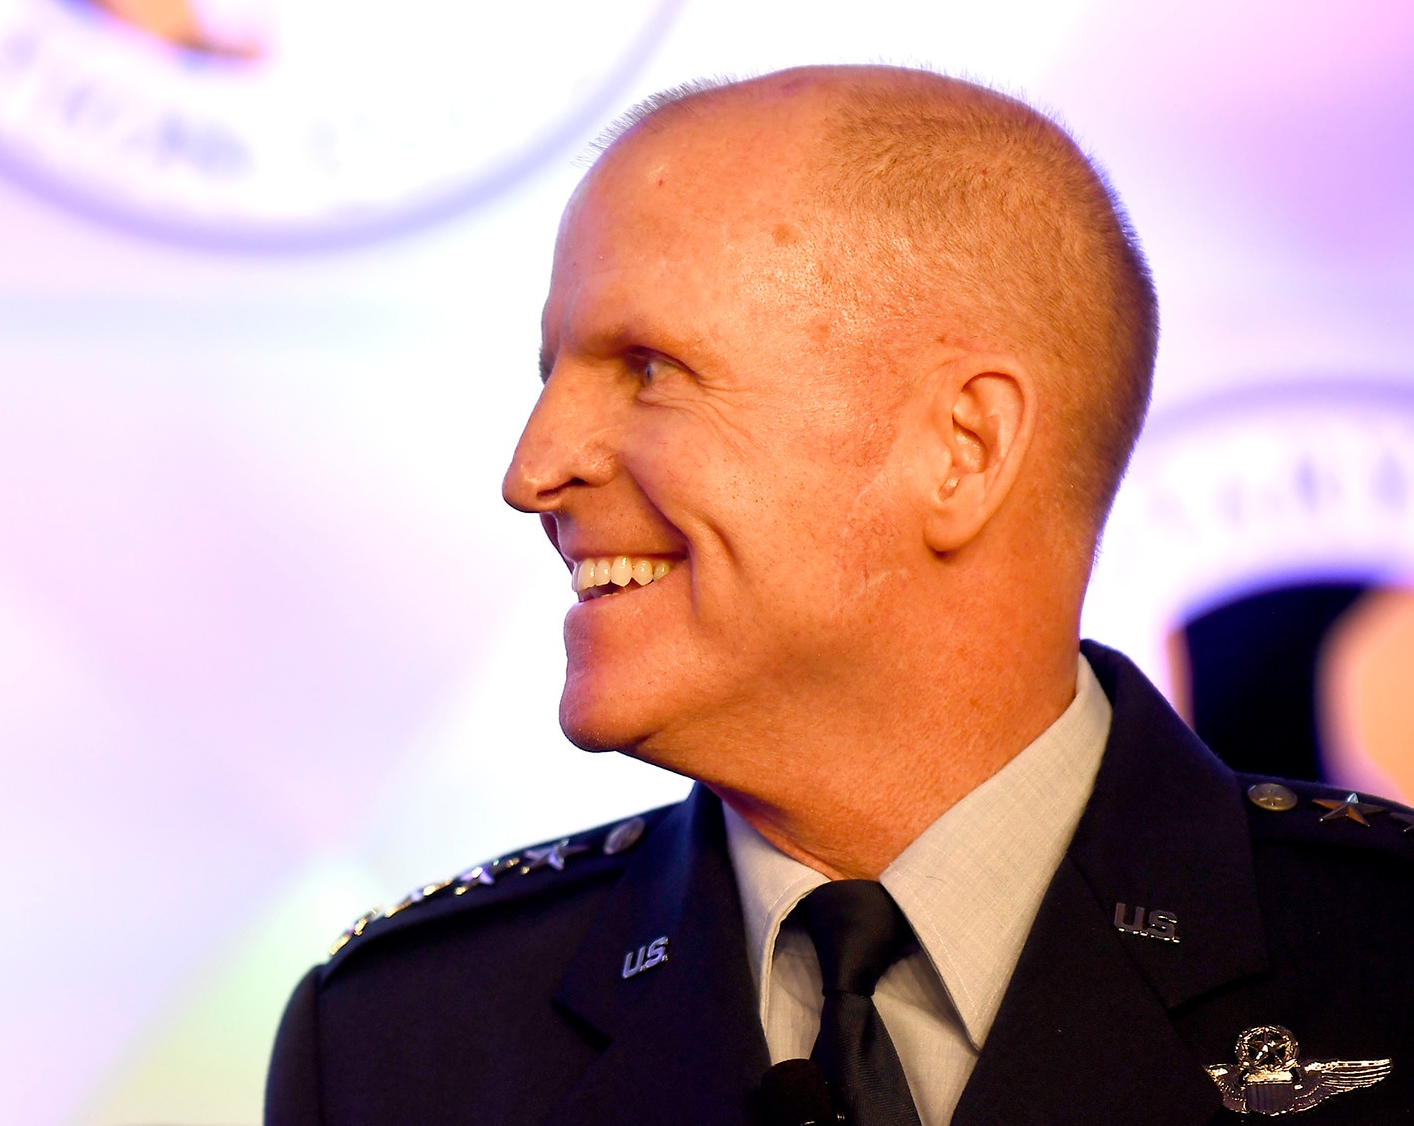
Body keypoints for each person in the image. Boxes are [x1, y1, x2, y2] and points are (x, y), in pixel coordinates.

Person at [264, 66, 1414, 1125]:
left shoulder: (1385, 955)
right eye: (550, 375)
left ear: (961, 447)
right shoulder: (396, 1042)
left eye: (647, 369)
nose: (532, 469)